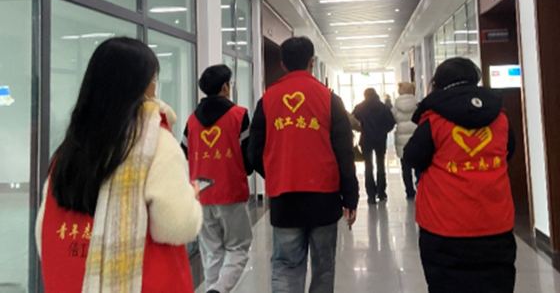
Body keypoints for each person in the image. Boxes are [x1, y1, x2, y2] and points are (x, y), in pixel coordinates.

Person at [35, 37, 202, 293]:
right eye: (153, 79)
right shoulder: (155, 143)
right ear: (141, 85)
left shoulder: (69, 148)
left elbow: (43, 229)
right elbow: (176, 225)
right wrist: (191, 197)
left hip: (69, 281)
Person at [248, 36, 359, 293]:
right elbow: (344, 153)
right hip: (325, 199)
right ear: (311, 62)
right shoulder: (329, 99)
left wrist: (276, 172)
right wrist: (350, 197)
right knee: (323, 268)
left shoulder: (267, 100)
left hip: (285, 199)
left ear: (282, 64)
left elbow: (253, 152)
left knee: (285, 267)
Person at [404, 57, 516, 293]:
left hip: (444, 228)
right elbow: (510, 151)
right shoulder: (500, 118)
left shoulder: (434, 121)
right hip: (495, 226)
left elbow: (413, 158)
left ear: (438, 83)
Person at [182, 64, 253, 293]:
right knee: (238, 248)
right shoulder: (239, 115)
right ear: (225, 86)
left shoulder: (192, 121)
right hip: (230, 192)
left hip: (201, 194)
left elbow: (183, 151)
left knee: (212, 252)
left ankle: (212, 288)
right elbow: (249, 155)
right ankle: (219, 289)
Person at [352, 88, 396, 204]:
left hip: (366, 139)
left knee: (368, 166)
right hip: (380, 139)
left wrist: (361, 128)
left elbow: (353, 119)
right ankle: (381, 192)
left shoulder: (360, 107)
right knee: (380, 165)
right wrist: (384, 130)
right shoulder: (383, 107)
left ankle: (371, 194)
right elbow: (391, 122)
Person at [392, 82, 419, 199]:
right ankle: (419, 185)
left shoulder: (396, 107)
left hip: (402, 140)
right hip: (416, 138)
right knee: (419, 165)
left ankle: (409, 191)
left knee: (405, 168)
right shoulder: (417, 104)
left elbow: (392, 120)